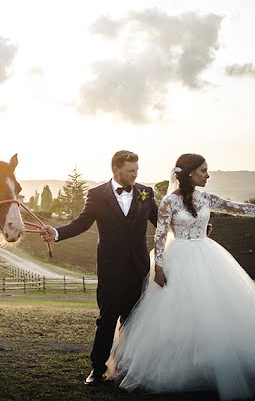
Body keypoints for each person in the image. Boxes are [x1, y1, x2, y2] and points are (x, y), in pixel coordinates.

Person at [106, 153, 255, 400]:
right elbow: (160, 236)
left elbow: (237, 208)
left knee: (216, 312)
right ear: (188, 174)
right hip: (179, 260)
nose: (207, 175)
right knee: (179, 315)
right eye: (203, 171)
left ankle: (214, 362)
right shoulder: (169, 202)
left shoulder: (205, 197)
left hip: (207, 255)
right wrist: (160, 268)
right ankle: (183, 366)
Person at [40, 150, 158, 386]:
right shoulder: (96, 194)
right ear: (116, 169)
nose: (135, 174)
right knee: (106, 319)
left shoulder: (146, 192)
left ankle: (128, 367)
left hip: (139, 268)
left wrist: (191, 229)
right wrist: (56, 233)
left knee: (134, 320)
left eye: (137, 170)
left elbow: (160, 221)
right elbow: (81, 223)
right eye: (130, 170)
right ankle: (97, 368)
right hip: (110, 268)